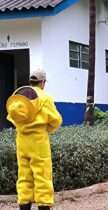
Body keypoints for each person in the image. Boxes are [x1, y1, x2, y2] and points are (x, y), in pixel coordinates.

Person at [6, 69, 62, 210]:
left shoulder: (18, 96)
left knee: (24, 176)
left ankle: (24, 206)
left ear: (31, 81)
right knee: (42, 176)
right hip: (39, 142)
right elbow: (56, 120)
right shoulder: (45, 98)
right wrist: (44, 130)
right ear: (42, 82)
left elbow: (11, 117)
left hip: (22, 142)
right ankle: (43, 205)